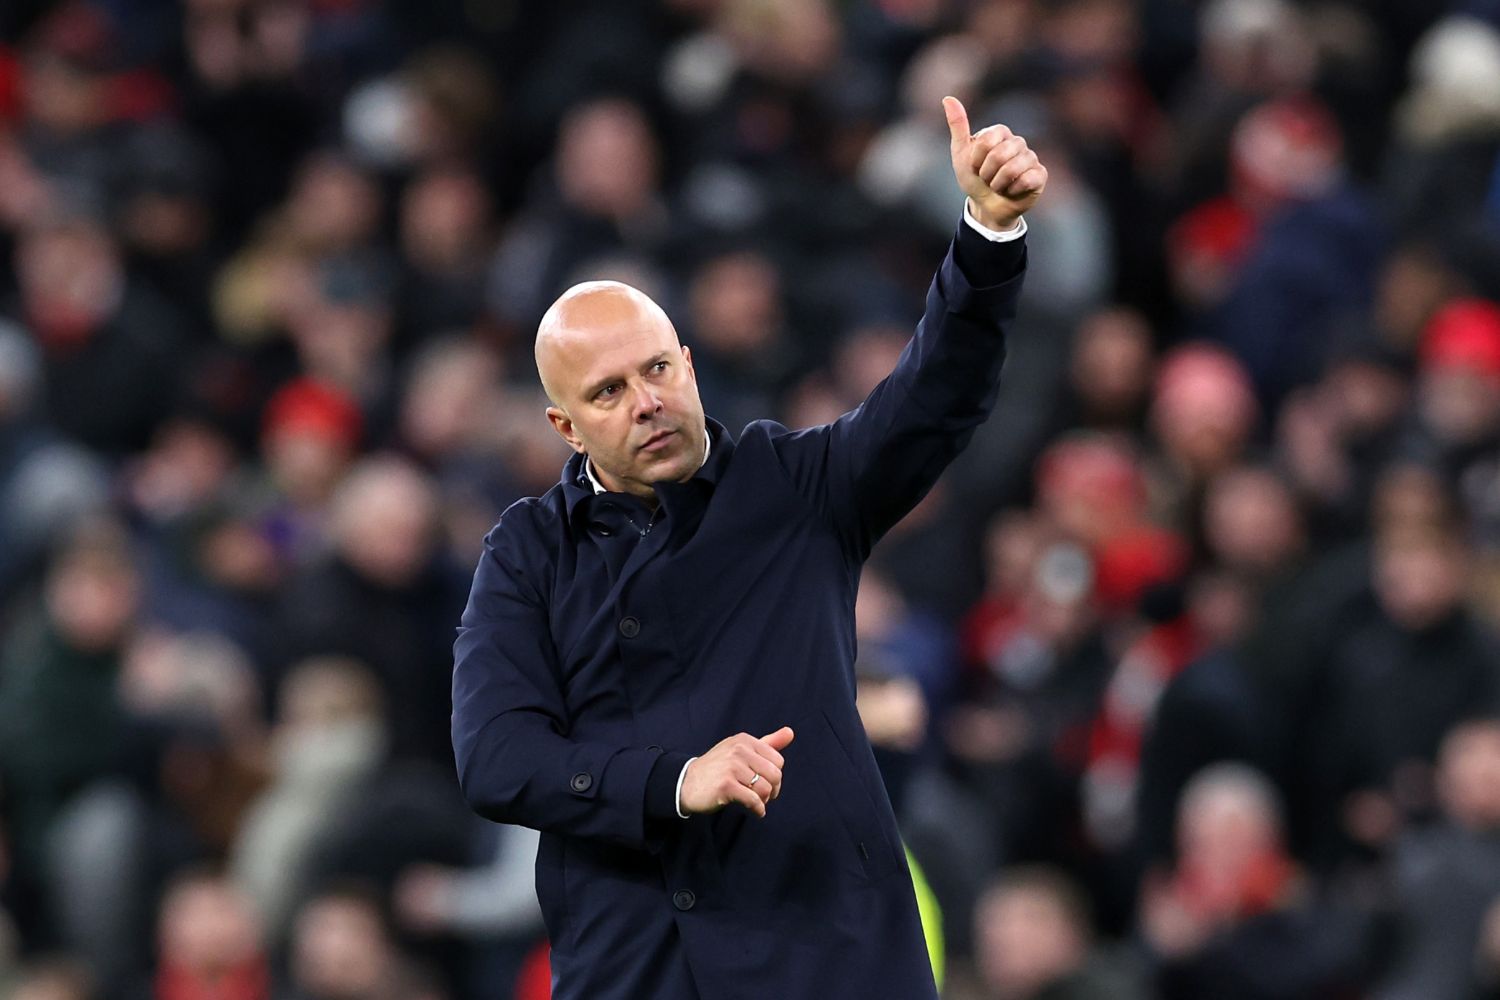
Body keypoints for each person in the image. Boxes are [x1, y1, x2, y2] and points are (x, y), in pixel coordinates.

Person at [450, 97, 1046, 1000]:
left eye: (656, 369)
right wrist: (674, 782)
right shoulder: (528, 552)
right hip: (641, 967)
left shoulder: (797, 486)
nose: (647, 401)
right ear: (564, 427)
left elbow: (935, 398)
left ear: (688, 364)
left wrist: (987, 239)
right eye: (608, 393)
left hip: (826, 951)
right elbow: (495, 757)